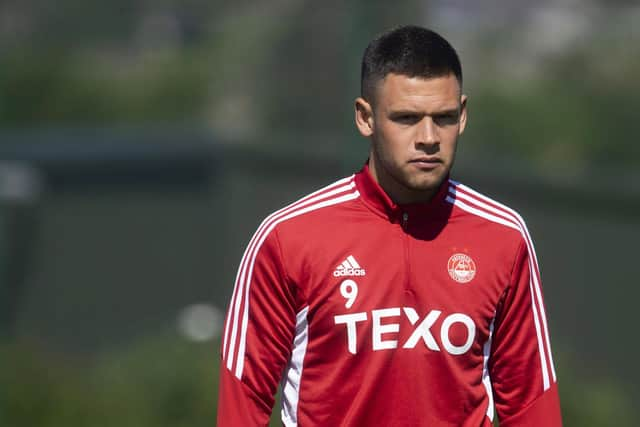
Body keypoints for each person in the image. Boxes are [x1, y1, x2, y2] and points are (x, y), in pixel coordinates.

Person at [217, 25, 562, 426]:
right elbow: (244, 400)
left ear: (463, 116)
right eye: (407, 118)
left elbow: (531, 404)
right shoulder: (287, 237)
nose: (429, 137)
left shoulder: (504, 236)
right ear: (365, 118)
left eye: (444, 118)